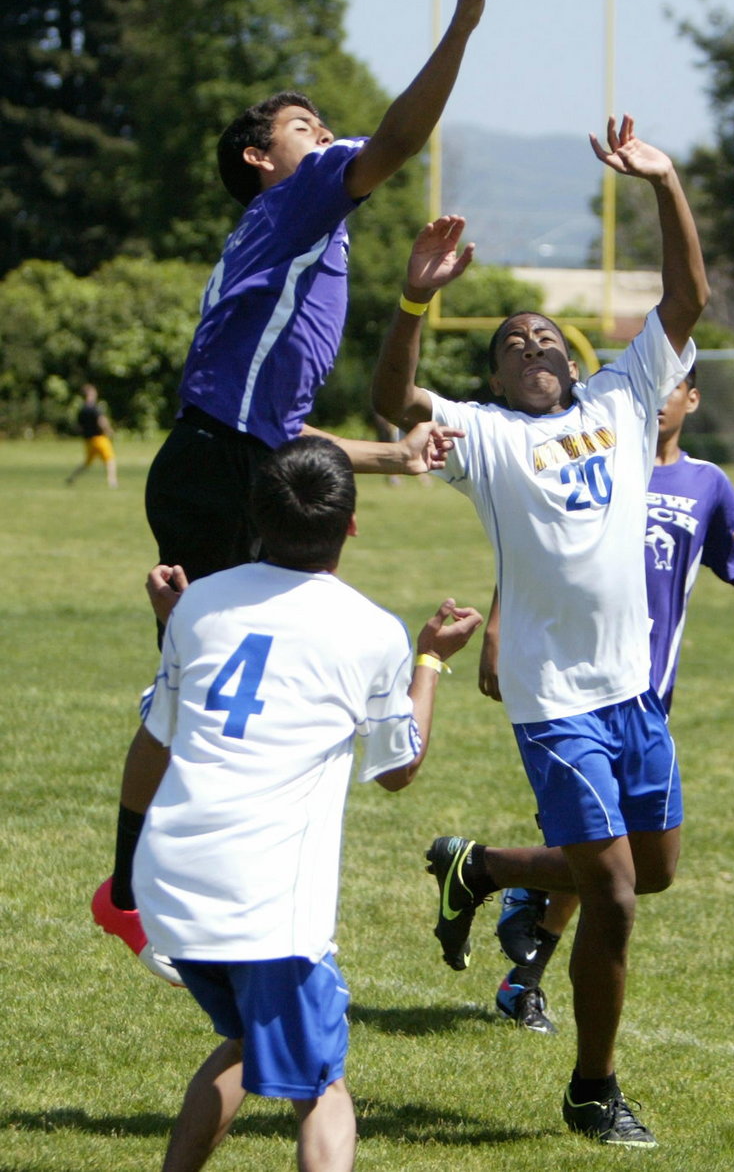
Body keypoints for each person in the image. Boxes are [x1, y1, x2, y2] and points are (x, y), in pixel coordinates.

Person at [371, 114, 710, 1146]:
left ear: (574, 357)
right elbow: (391, 396)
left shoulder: (621, 395)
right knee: (612, 892)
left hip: (634, 692)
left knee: (650, 870)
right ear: (498, 373)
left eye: (546, 335)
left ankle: (480, 867)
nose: (534, 343)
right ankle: (591, 1090)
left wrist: (663, 179)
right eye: (513, 341)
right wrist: (416, 295)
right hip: (554, 699)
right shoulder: (490, 437)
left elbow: (690, 297)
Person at [93, 435, 482, 1172]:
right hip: (267, 901)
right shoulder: (371, 631)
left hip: (174, 888)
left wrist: (180, 623)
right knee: (323, 1089)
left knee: (246, 1042)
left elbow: (156, 739)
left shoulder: (197, 604)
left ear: (256, 516)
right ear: (352, 524)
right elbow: (399, 769)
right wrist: (430, 660)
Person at [144, 0, 503, 592]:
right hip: (220, 467)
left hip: (223, 462)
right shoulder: (294, 201)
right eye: (305, 127)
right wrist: (462, 27)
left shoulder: (284, 239)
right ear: (258, 157)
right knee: (217, 668)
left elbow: (278, 429)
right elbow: (396, 142)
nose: (325, 137)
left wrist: (395, 454)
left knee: (233, 666)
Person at [479, 362, 734, 1037]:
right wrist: (498, 625)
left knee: (629, 866)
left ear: (692, 398)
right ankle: (522, 978)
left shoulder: (709, 485)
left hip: (645, 698)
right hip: (571, 688)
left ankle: (500, 879)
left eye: (675, 387)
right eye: (656, 385)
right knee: (602, 859)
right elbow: (541, 554)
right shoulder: (603, 458)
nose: (663, 398)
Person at [65, 383, 118, 488]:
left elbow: (79, 427)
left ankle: (72, 477)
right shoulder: (95, 408)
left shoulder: (82, 410)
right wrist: (109, 431)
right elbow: (101, 421)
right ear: (90, 394)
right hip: (100, 438)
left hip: (88, 440)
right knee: (110, 460)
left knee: (87, 463)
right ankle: (112, 482)